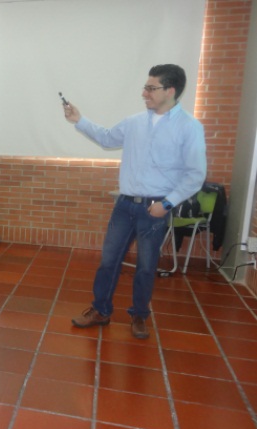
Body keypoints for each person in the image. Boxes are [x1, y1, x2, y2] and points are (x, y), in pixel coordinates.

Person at [64, 64, 206, 339]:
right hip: (125, 204)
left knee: (145, 266)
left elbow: (195, 174)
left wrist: (166, 204)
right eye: (146, 87)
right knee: (108, 261)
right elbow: (106, 139)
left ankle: (139, 316)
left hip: (155, 208)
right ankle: (101, 310)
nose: (144, 93)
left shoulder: (189, 127)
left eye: (151, 88)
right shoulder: (134, 122)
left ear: (171, 90)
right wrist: (79, 120)